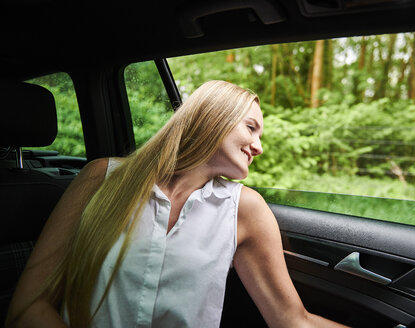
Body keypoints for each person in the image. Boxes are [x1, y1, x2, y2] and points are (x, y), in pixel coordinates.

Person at [6, 80, 347, 328]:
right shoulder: (101, 179)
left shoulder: (247, 209)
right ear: (213, 117)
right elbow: (28, 308)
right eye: (251, 128)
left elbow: (292, 320)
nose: (259, 146)